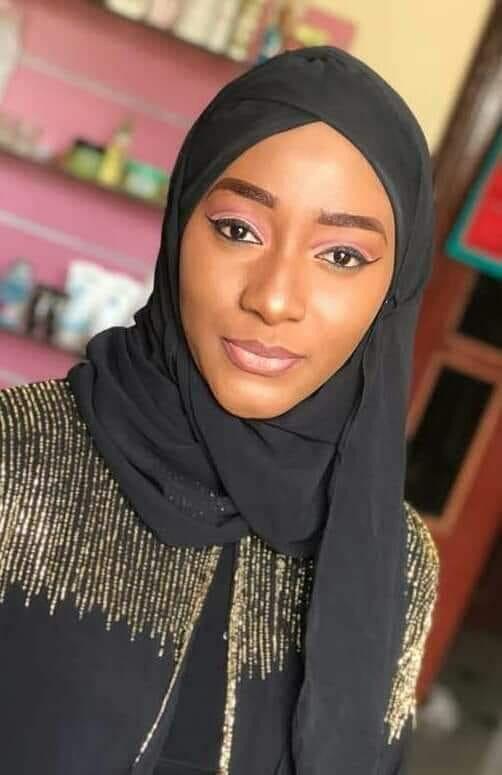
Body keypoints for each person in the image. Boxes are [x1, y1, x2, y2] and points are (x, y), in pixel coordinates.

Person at [0, 46, 439, 774]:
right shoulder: (17, 459)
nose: (273, 298)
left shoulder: (397, 561)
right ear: (180, 228)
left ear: (395, 291)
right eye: (239, 229)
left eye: (341, 256)